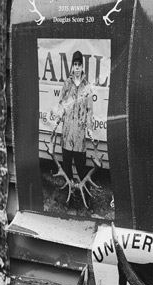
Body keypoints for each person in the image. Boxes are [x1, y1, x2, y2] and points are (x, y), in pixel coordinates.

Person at [55, 50, 95, 188]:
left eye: (79, 65)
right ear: (72, 66)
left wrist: (89, 128)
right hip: (66, 135)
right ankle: (70, 198)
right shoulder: (67, 84)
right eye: (75, 64)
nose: (77, 67)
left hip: (79, 137)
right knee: (66, 170)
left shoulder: (87, 86)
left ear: (82, 67)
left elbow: (90, 110)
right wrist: (58, 118)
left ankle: (87, 201)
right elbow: (61, 103)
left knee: (81, 168)